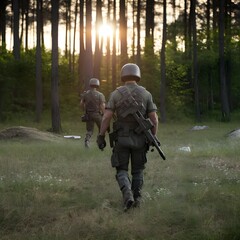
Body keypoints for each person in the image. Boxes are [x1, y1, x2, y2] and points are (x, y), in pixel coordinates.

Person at [97, 63, 158, 211]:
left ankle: (127, 195)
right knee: (138, 170)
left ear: (123, 75)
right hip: (140, 139)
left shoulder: (116, 94)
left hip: (121, 139)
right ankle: (137, 200)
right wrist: (152, 137)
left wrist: (101, 135)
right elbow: (154, 119)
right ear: (138, 75)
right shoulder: (146, 94)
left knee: (121, 169)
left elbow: (106, 117)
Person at [80, 78, 106, 148]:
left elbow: (81, 104)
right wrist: (104, 114)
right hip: (97, 115)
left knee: (90, 130)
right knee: (101, 129)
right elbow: (102, 106)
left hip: (88, 115)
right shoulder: (100, 95)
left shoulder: (85, 94)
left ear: (90, 84)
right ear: (97, 85)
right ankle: (99, 141)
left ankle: (87, 141)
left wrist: (84, 110)